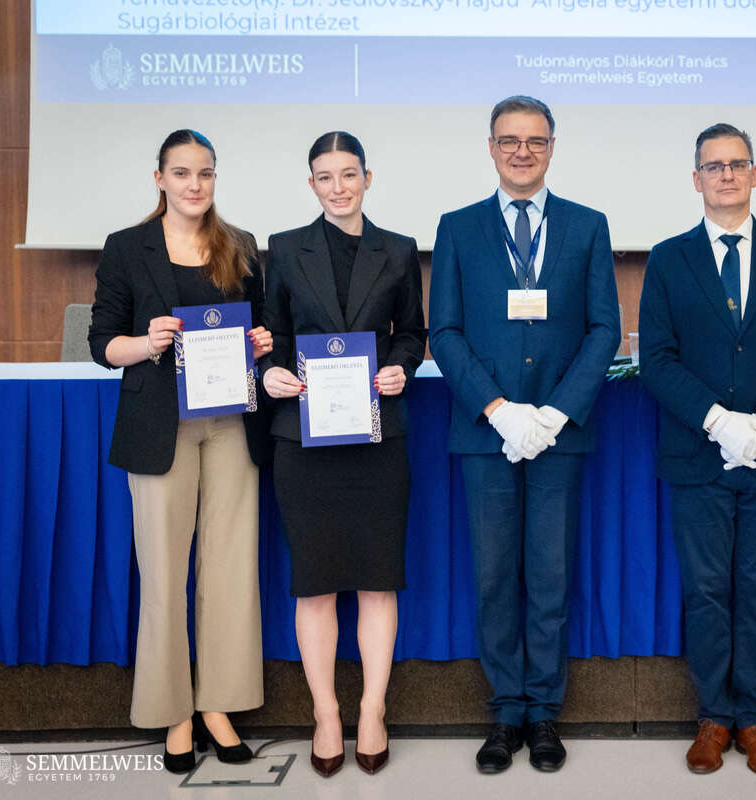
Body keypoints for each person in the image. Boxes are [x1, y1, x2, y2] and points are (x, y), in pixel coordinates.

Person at [429, 95, 620, 774]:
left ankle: (544, 713)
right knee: (493, 579)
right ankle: (505, 712)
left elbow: (604, 329)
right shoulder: (457, 228)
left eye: (535, 141)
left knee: (549, 575)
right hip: (487, 435)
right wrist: (497, 408)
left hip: (558, 436)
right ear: (491, 147)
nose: (522, 152)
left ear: (551, 148)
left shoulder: (587, 226)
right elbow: (444, 331)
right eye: (509, 140)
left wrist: (556, 412)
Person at [639, 123, 756, 777]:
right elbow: (656, 358)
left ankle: (754, 718)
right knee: (705, 591)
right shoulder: (668, 258)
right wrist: (718, 421)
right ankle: (714, 717)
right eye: (713, 166)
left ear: (755, 173)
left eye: (737, 163)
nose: (726, 175)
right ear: (695, 179)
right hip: (698, 455)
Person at [87, 129, 272, 774]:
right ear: (159, 177)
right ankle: (174, 714)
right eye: (183, 172)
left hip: (231, 425)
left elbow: (262, 333)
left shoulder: (240, 245)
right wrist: (147, 343)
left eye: (206, 173)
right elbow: (102, 344)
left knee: (230, 571)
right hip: (158, 429)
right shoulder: (125, 247)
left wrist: (262, 344)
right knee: (164, 576)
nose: (196, 184)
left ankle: (219, 705)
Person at [259, 131, 426, 778]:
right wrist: (271, 371)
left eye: (349, 174)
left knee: (379, 580)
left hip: (378, 436)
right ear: (312, 184)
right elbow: (271, 337)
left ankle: (373, 710)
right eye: (325, 177)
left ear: (367, 178)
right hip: (304, 439)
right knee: (317, 584)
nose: (338, 187)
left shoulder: (399, 249)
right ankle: (326, 714)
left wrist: (401, 367)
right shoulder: (283, 249)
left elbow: (412, 334)